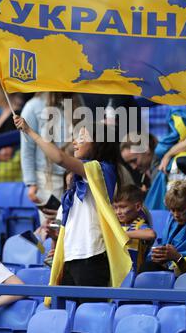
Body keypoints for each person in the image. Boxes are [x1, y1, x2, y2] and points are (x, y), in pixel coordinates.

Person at [14, 115, 132, 302]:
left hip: (91, 257)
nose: (75, 142)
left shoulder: (102, 170)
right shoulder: (76, 181)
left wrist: (30, 132)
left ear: (99, 143)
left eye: (82, 138)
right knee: (64, 319)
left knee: (89, 319)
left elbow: (60, 158)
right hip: (70, 257)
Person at [20, 92, 81, 225]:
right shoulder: (33, 106)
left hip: (75, 174)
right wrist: (31, 183)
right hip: (47, 177)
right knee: (53, 226)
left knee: (74, 223)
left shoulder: (76, 100)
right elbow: (27, 148)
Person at [113, 185, 156, 272]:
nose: (118, 212)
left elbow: (151, 234)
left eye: (123, 207)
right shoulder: (116, 225)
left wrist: (123, 235)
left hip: (135, 274)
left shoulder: (138, 225)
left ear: (137, 207)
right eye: (115, 207)